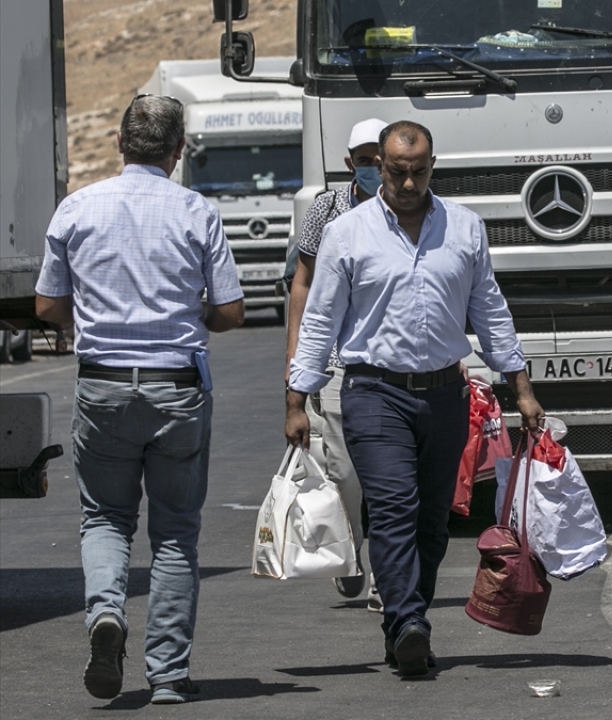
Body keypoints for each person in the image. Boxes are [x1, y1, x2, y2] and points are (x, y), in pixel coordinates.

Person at [285, 120, 543, 677]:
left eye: (418, 172)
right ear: (379, 165)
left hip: (446, 394)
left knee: (432, 521)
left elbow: (490, 310)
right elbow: (320, 319)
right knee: (395, 510)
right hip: (374, 393)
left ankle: (407, 621)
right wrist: (296, 398)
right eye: (397, 171)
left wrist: (519, 387)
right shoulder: (347, 233)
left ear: (432, 167)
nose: (407, 182)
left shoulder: (465, 229)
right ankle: (408, 623)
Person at [34, 95, 245, 705]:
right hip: (176, 388)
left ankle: (107, 616)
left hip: (102, 384)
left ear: (121, 144)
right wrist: (183, 312)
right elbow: (229, 311)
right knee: (176, 533)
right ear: (178, 151)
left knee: (104, 517)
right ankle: (169, 675)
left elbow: (47, 306)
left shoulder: (77, 208)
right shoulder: (196, 212)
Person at [285, 117, 389, 609]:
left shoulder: (408, 207)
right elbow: (301, 282)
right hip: (336, 363)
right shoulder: (326, 209)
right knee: (346, 476)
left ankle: (388, 581)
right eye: (364, 160)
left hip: (391, 360)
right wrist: (295, 363)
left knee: (390, 477)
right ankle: (355, 549)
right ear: (351, 164)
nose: (373, 168)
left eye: (379, 158)